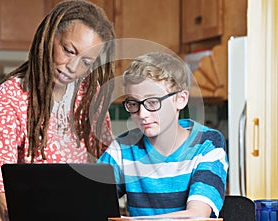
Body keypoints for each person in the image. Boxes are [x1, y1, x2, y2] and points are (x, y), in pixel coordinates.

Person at [0, 0, 115, 220]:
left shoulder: (91, 94)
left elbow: (110, 158)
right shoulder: (12, 94)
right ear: (49, 37)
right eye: (69, 51)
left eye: (86, 62)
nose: (73, 67)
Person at [98, 52, 229, 219]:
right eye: (133, 103)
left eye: (152, 102)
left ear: (181, 99)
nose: (142, 114)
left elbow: (196, 217)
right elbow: (88, 199)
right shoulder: (124, 147)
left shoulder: (207, 144)